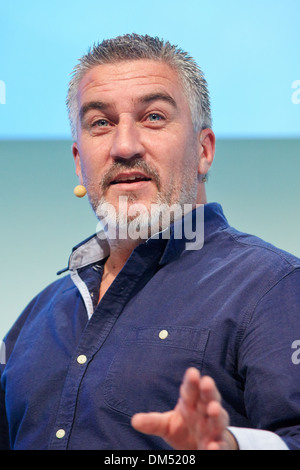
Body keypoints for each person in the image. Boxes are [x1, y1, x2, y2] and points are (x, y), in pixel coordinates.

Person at [1, 33, 300, 451]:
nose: (124, 146)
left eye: (154, 117)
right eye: (100, 123)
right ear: (78, 161)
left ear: (203, 150)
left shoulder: (275, 287)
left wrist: (233, 446)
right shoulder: (35, 319)